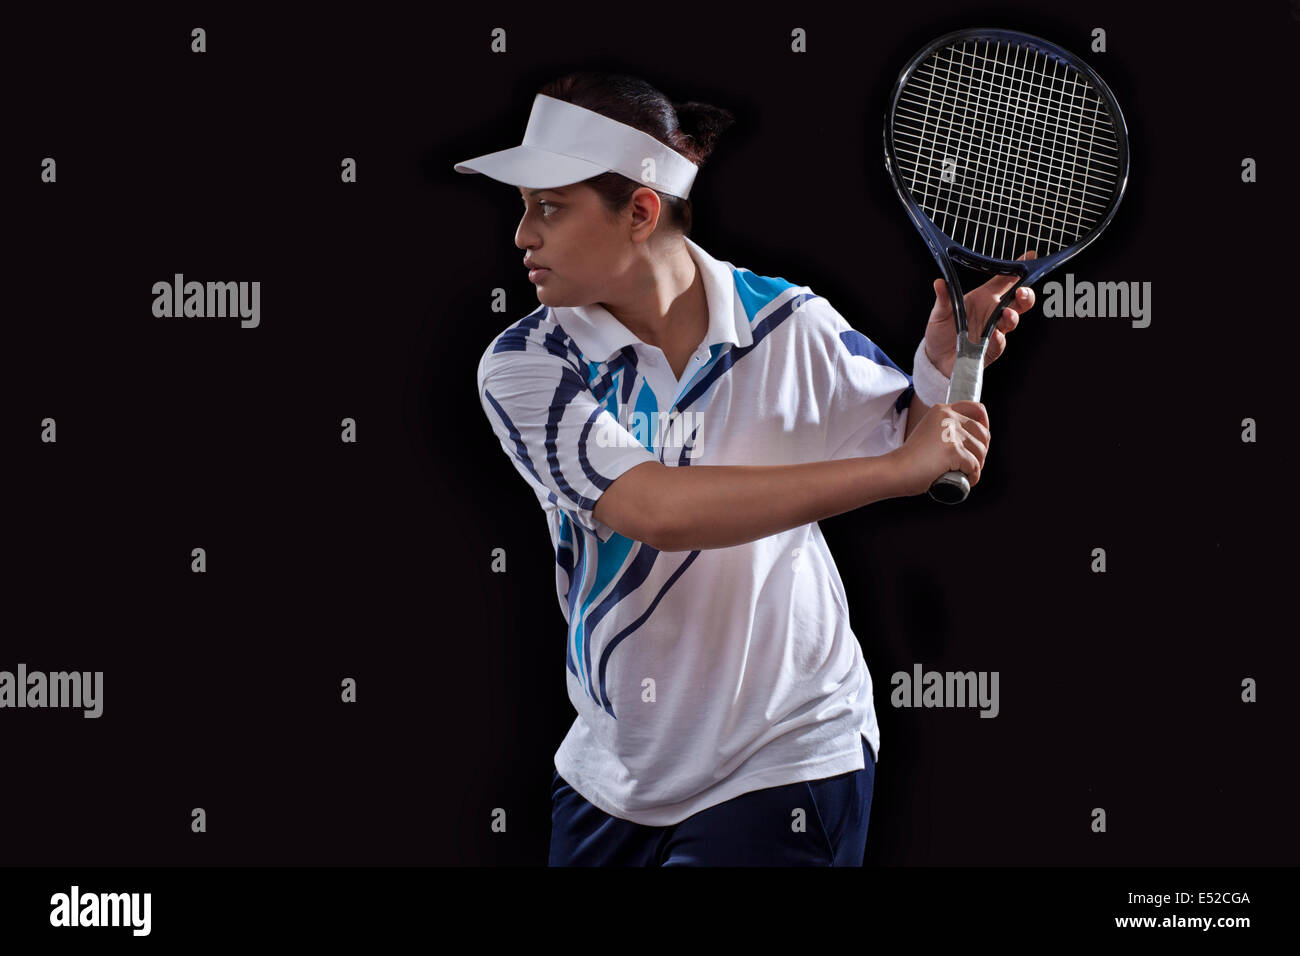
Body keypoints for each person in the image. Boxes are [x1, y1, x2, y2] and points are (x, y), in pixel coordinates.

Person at [456, 71, 1035, 866]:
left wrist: (943, 361)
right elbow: (654, 510)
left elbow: (911, 432)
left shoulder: (790, 324)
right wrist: (900, 468)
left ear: (640, 213)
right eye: (522, 208)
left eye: (548, 207)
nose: (522, 235)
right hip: (612, 772)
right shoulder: (524, 364)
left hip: (786, 756)